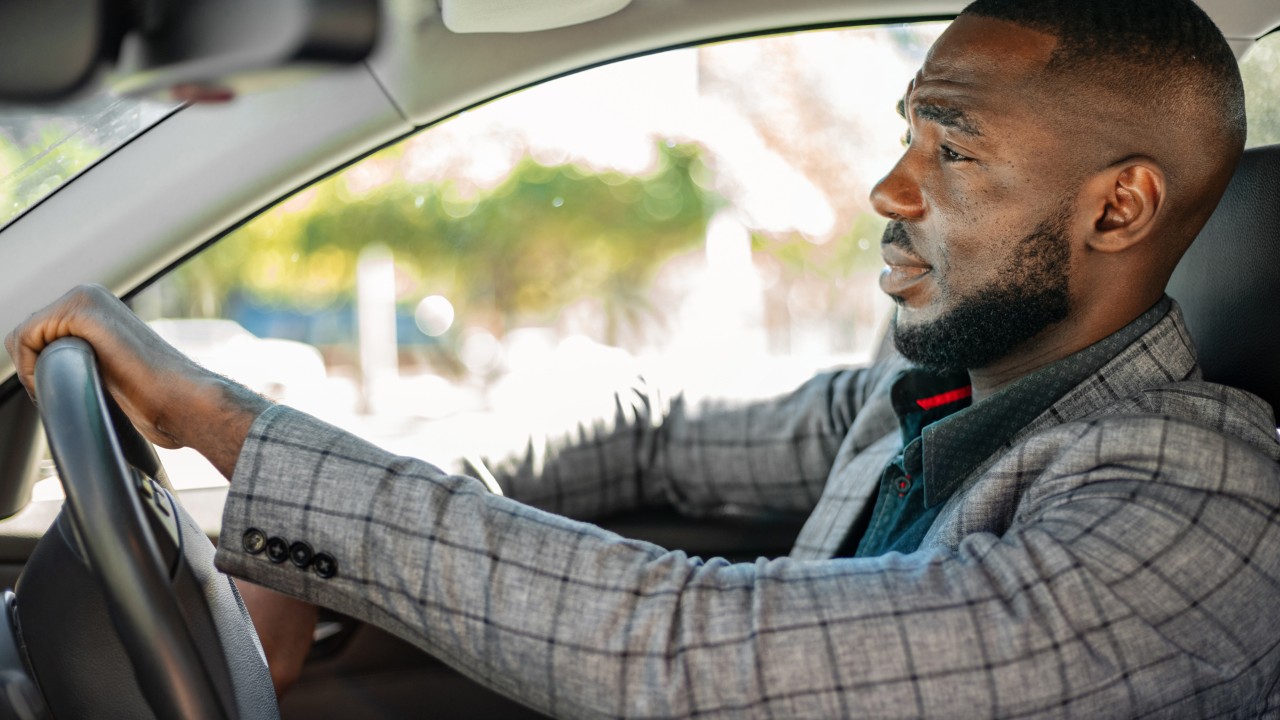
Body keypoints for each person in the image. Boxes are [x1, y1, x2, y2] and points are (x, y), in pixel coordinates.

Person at [9, 0, 1280, 715]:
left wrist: (239, 431)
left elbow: (698, 652)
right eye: (905, 134)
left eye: (950, 150)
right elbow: (646, 424)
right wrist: (312, 557)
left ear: (1115, 210)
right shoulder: (941, 399)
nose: (887, 189)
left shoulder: (1193, 516)